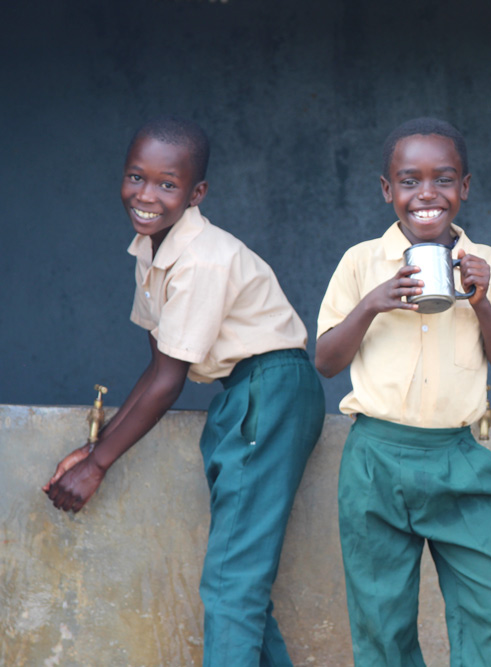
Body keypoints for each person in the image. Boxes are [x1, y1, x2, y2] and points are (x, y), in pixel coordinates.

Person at [43, 117, 325, 666]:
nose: (146, 195)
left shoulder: (202, 259)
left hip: (271, 390)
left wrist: (97, 465)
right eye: (135, 177)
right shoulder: (151, 252)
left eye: (167, 184)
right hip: (244, 395)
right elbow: (157, 369)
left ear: (196, 194)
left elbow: (170, 381)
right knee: (238, 584)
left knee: (232, 585)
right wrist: (93, 451)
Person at [315, 117, 491, 666]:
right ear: (388, 190)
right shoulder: (361, 262)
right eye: (409, 181)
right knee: (382, 622)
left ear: (465, 187)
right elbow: (325, 360)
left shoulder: (488, 265)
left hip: (458, 457)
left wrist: (479, 300)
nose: (427, 194)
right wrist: (372, 303)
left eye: (444, 179)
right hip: (375, 462)